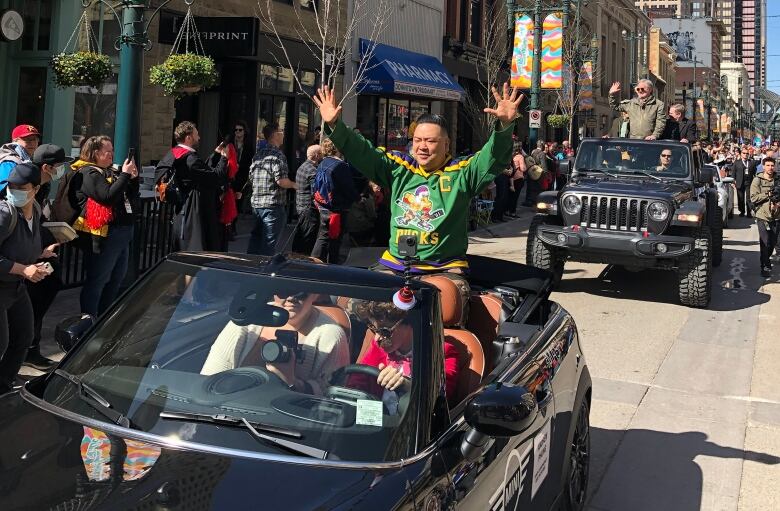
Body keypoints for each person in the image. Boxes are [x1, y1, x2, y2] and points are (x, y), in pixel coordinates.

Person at [312, 83, 522, 316]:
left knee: (444, 310)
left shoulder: (463, 173)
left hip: (444, 269)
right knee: (356, 306)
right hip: (395, 264)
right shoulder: (399, 168)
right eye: (418, 140)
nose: (422, 146)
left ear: (446, 145)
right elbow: (364, 153)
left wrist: (504, 126)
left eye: (431, 141)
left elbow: (492, 158)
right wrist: (335, 125)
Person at [201, 291, 349, 395]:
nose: (291, 297)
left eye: (301, 290)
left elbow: (332, 400)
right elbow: (209, 378)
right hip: (230, 414)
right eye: (284, 290)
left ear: (316, 293)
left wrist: (292, 382)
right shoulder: (247, 320)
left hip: (286, 428)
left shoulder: (330, 335)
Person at [0, 163, 57, 392]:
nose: (14, 191)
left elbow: (23, 244)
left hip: (16, 287)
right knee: (1, 342)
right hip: (4, 286)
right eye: (11, 187)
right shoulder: (5, 213)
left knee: (24, 336)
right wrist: (23, 270)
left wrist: (40, 254)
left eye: (21, 187)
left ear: (34, 188)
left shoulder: (33, 208)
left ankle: (3, 385)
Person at [73, 136, 139, 316]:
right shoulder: (88, 172)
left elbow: (127, 196)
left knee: (115, 280)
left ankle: (104, 320)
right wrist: (124, 175)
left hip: (122, 234)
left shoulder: (111, 171)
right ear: (95, 153)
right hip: (105, 236)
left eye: (112, 150)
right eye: (107, 151)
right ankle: (89, 322)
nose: (111, 155)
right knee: (97, 281)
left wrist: (131, 179)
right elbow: (107, 196)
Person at [23, 144, 73, 371]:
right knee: (31, 305)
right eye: (59, 166)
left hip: (42, 252)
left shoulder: (41, 189)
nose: (60, 171)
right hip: (27, 260)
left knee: (47, 290)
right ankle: (24, 350)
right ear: (46, 167)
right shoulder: (27, 188)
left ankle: (30, 349)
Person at [348, 300, 459, 402]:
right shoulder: (378, 346)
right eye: (373, 328)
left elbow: (440, 397)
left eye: (384, 331)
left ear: (411, 323)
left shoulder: (441, 352)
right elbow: (357, 381)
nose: (377, 338)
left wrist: (407, 385)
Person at [156, 122, 228, 252]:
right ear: (188, 137)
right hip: (193, 210)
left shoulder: (173, 154)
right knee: (194, 251)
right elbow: (214, 177)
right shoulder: (190, 159)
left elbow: (202, 172)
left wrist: (216, 155)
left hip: (181, 209)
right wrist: (224, 159)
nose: (199, 137)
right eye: (197, 134)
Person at [248, 123, 297, 255]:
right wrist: (294, 185)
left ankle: (249, 268)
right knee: (268, 243)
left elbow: (251, 178)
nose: (283, 134)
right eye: (281, 131)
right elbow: (281, 181)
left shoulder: (258, 155)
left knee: (255, 239)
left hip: (257, 204)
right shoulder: (278, 155)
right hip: (272, 206)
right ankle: (264, 271)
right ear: (275, 135)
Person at [311, 138, 359, 262]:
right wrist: (357, 198)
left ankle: (315, 262)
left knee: (323, 236)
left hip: (323, 204)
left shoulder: (323, 162)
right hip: (337, 207)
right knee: (336, 238)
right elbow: (348, 187)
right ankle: (333, 264)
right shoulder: (340, 166)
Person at [750, 157, 779, 277]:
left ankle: (767, 260)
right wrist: (768, 194)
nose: (770, 168)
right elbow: (753, 198)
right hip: (762, 215)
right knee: (765, 242)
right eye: (768, 165)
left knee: (772, 243)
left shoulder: (778, 180)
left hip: (776, 216)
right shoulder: (758, 180)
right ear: (763, 167)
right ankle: (765, 266)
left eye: (772, 165)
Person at [291, 144, 323, 255]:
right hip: (308, 208)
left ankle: (295, 254)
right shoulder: (312, 170)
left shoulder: (303, 166)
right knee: (308, 236)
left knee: (301, 232)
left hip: (301, 205)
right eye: (321, 154)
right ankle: (302, 258)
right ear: (316, 155)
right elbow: (316, 191)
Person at [0, 125, 40, 195]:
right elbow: (3, 190)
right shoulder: (10, 161)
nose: (33, 143)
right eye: (27, 139)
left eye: (35, 139)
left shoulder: (27, 160)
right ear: (15, 141)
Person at [733, 147, 757, 217]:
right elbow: (733, 173)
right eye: (744, 153)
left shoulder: (751, 162)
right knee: (740, 198)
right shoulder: (737, 162)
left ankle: (749, 212)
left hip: (749, 182)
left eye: (747, 153)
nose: (745, 154)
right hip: (740, 182)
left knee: (749, 198)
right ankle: (742, 211)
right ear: (741, 154)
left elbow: (755, 173)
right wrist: (732, 182)